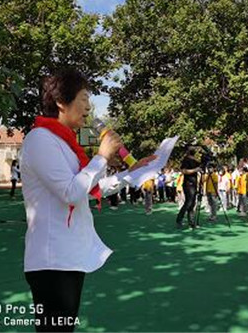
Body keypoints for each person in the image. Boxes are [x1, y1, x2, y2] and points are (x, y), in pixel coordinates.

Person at [21, 69, 155, 332]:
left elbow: (88, 188)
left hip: (68, 256)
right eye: (83, 99)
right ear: (61, 101)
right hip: (52, 260)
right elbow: (71, 191)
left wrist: (132, 173)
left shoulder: (65, 144)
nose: (88, 107)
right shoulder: (40, 139)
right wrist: (102, 157)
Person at [176, 147, 201, 229]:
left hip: (193, 184)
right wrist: (195, 170)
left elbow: (201, 166)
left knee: (192, 203)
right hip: (188, 184)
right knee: (189, 202)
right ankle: (179, 219)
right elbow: (183, 171)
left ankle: (191, 222)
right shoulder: (186, 160)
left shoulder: (195, 160)